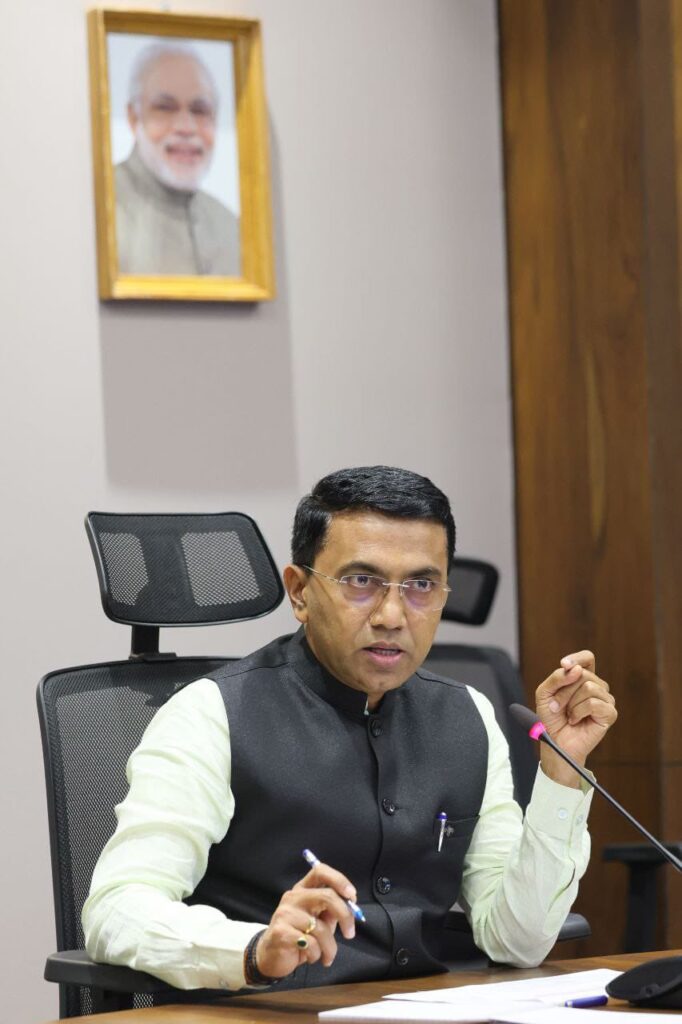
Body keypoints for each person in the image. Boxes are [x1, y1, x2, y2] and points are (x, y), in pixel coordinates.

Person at [82, 465, 618, 993]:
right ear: (299, 591)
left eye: (421, 585)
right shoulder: (211, 713)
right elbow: (116, 908)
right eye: (362, 582)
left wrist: (561, 773)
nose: (392, 615)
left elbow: (518, 940)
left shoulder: (468, 716)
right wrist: (252, 949)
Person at [114, 41, 240, 276]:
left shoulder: (231, 228)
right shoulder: (99, 208)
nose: (186, 127)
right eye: (165, 108)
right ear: (133, 117)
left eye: (200, 110)